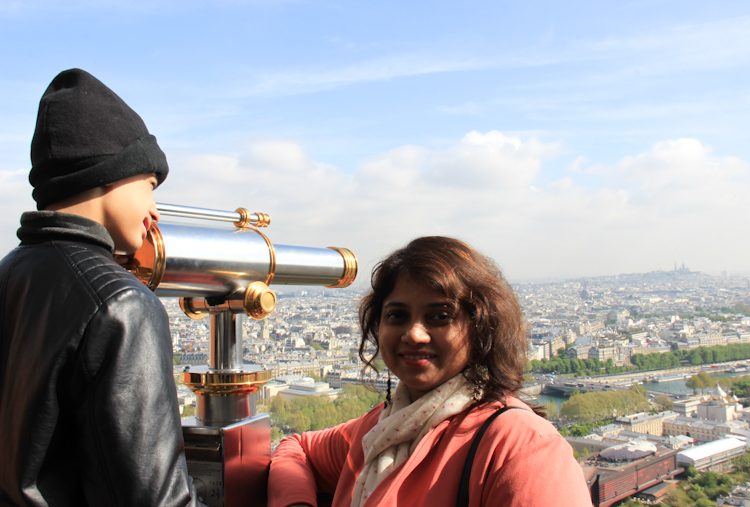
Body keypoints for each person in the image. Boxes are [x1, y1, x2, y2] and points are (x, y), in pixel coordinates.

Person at [0, 69, 203, 506]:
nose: (154, 211)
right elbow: (154, 498)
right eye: (149, 185)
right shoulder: (121, 303)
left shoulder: (9, 275)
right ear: (113, 174)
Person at [268, 236, 592, 507]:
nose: (414, 334)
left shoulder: (522, 448)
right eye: (397, 315)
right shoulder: (378, 429)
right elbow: (296, 448)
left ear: (479, 329)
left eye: (440, 317)